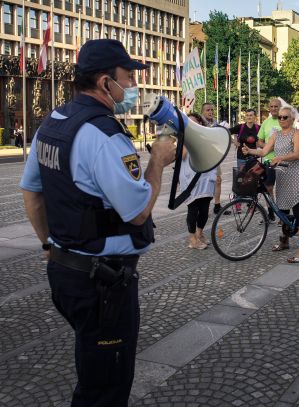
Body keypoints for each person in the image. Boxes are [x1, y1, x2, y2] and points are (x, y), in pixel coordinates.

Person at [19, 39, 175, 405]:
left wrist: (48, 244)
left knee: (92, 363)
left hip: (65, 272)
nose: (134, 87)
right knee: (104, 386)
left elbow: (31, 193)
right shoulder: (105, 135)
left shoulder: (53, 123)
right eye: (129, 78)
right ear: (107, 83)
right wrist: (158, 161)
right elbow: (137, 211)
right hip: (103, 285)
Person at [243, 107, 299, 263]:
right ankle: (284, 241)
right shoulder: (276, 135)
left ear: (292, 119)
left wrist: (280, 158)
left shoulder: (297, 133)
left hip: (296, 176)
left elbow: (297, 154)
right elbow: (264, 151)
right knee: (283, 212)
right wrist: (250, 151)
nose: (281, 119)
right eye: (280, 117)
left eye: (285, 117)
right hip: (282, 177)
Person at [182, 113, 217, 249]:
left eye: (194, 123)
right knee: (193, 208)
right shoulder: (184, 138)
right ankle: (192, 239)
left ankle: (199, 234)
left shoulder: (206, 137)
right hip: (190, 179)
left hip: (206, 178)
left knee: (204, 209)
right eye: (188, 123)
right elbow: (182, 155)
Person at [257, 98, 282, 221]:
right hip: (268, 160)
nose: (273, 109)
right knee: (269, 187)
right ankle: (271, 211)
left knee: (283, 188)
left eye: (276, 107)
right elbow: (259, 141)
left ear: (280, 108)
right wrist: (268, 147)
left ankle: (283, 214)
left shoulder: (286, 120)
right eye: (271, 107)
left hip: (283, 161)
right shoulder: (266, 123)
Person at [200, 102, 227, 215]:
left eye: (212, 110)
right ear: (203, 112)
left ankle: (217, 205)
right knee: (203, 183)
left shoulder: (215, 123)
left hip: (214, 157)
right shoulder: (199, 123)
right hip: (202, 158)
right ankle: (200, 207)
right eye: (208, 110)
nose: (211, 112)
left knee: (218, 180)